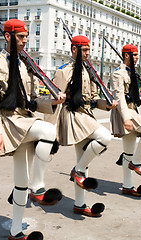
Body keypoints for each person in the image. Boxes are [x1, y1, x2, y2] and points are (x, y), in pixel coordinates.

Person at [0, 19, 66, 240]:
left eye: (26, 37)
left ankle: (15, 232)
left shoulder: (25, 65)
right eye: (20, 37)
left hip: (25, 121)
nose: (25, 41)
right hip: (10, 124)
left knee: (21, 182)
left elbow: (34, 101)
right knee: (47, 132)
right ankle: (37, 189)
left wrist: (53, 102)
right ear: (8, 36)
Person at [46, 35, 118, 217]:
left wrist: (106, 105)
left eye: (88, 50)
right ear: (74, 50)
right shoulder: (64, 71)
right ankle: (77, 171)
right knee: (104, 136)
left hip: (86, 115)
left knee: (83, 162)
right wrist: (48, 132)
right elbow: (54, 101)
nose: (88, 53)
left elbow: (93, 100)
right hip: (72, 115)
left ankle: (80, 204)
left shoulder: (88, 70)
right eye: (84, 50)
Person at [110, 44, 141, 198]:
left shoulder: (132, 73)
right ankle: (136, 163)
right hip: (124, 113)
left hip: (132, 110)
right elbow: (120, 98)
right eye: (135, 55)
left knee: (128, 152)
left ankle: (127, 186)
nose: (138, 58)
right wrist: (126, 118)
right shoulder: (118, 74)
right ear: (126, 55)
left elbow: (133, 98)